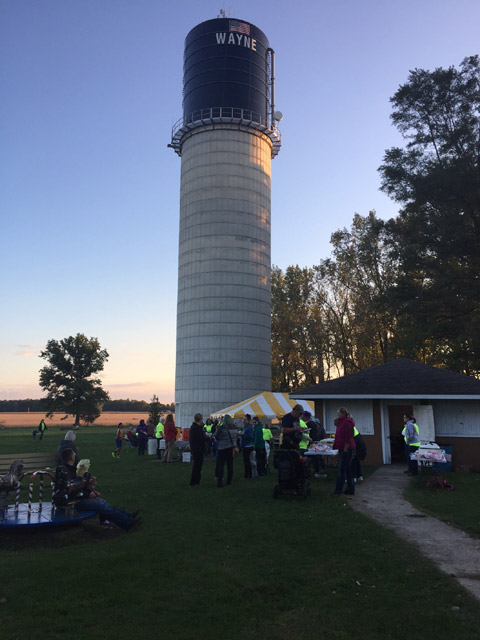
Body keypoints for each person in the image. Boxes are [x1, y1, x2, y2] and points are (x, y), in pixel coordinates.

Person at [53, 448, 140, 531]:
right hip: (74, 502)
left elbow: (78, 487)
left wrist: (89, 491)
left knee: (103, 502)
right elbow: (70, 491)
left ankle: (127, 516)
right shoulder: (65, 471)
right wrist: (87, 494)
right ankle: (127, 523)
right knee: (100, 505)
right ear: (71, 457)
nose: (75, 456)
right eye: (74, 454)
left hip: (79, 498)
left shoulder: (72, 470)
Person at [332, 407, 356, 496]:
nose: (337, 414)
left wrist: (345, 451)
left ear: (343, 413)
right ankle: (350, 489)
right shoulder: (341, 422)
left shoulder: (346, 423)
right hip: (343, 448)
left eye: (338, 413)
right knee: (348, 470)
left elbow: (347, 438)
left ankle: (338, 490)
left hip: (347, 449)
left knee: (341, 471)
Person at [215, 414, 238, 487]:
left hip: (222, 448)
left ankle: (220, 482)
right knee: (230, 465)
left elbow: (217, 437)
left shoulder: (222, 428)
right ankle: (229, 481)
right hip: (230, 447)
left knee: (221, 466)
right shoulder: (234, 428)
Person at [303, 412, 326, 477]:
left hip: (310, 443)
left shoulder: (309, 424)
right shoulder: (313, 424)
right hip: (315, 442)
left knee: (312, 458)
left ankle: (314, 470)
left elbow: (309, 434)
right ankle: (317, 470)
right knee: (316, 457)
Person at [189, 413, 207, 487]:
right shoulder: (196, 428)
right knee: (197, 466)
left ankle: (196, 481)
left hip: (197, 449)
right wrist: (206, 437)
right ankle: (194, 482)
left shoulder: (195, 427)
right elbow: (200, 438)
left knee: (198, 466)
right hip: (198, 449)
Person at [241, 414, 254, 478]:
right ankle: (248, 474)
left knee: (247, 461)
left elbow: (250, 437)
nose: (243, 420)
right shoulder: (245, 427)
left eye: (245, 419)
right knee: (246, 461)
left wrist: (242, 436)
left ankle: (248, 474)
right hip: (245, 445)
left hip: (248, 446)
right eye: (243, 419)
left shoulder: (249, 428)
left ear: (248, 420)